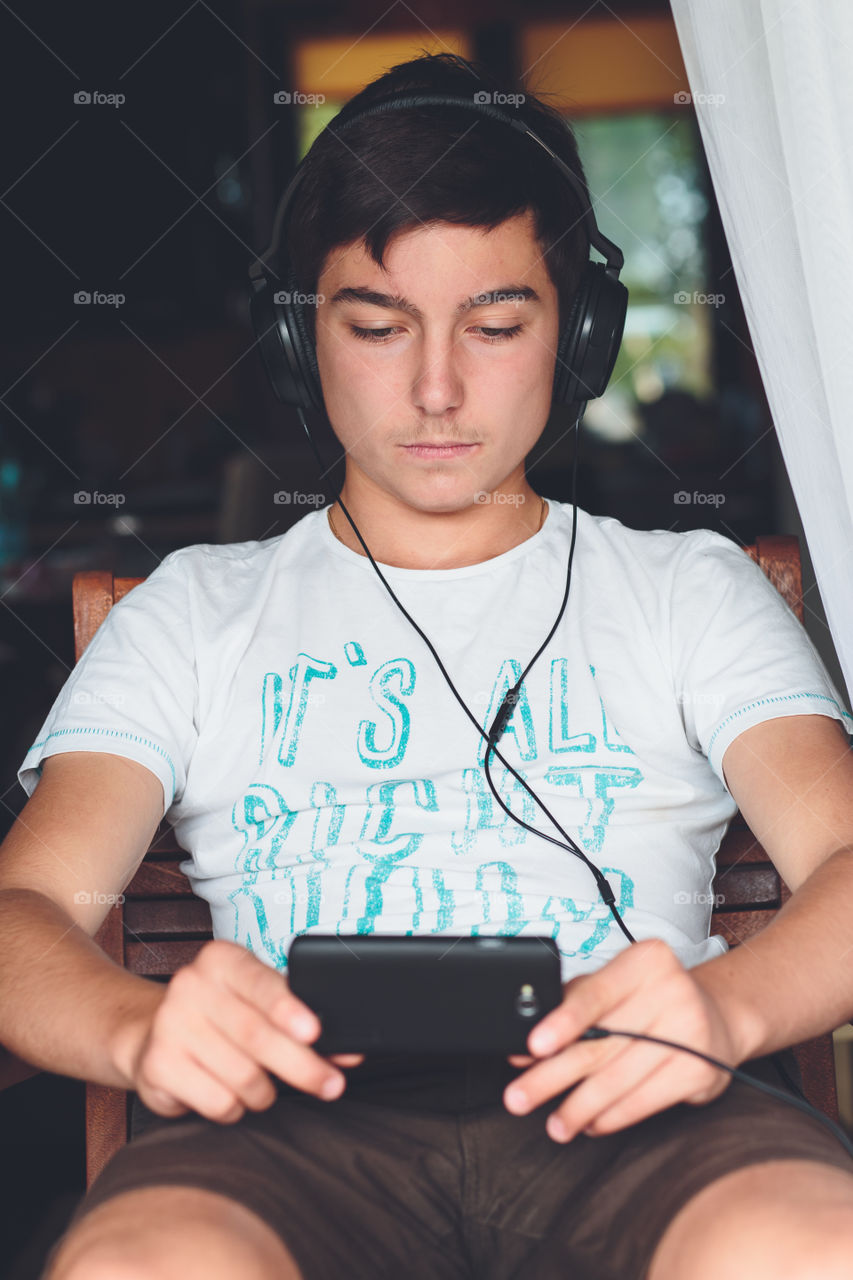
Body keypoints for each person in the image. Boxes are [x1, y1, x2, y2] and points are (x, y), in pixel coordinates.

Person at [3, 49, 853, 1280]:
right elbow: (25, 914)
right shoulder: (191, 611)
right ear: (300, 343)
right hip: (281, 1132)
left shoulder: (687, 588)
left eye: (497, 324)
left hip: (639, 1106)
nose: (438, 386)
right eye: (378, 325)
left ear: (579, 337)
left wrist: (726, 1010)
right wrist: (140, 1030)